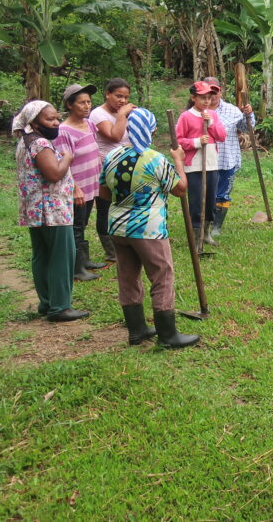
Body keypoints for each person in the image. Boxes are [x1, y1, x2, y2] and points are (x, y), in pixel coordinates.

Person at [99, 108, 199, 348]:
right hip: (148, 229)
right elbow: (180, 189)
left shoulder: (112, 155)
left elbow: (103, 192)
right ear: (151, 129)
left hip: (118, 227)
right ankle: (167, 335)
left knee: (128, 276)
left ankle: (137, 330)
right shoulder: (155, 159)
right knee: (161, 276)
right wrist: (178, 161)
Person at [13, 100, 89, 322]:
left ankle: (47, 302)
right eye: (49, 119)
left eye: (57, 117)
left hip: (36, 209)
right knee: (61, 257)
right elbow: (53, 174)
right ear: (34, 122)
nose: (56, 122)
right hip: (51, 209)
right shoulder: (39, 143)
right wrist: (66, 158)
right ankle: (60, 307)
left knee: (43, 255)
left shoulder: (24, 141)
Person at [55, 84, 105, 281]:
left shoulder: (89, 124)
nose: (87, 106)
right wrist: (75, 188)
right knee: (76, 226)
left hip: (91, 184)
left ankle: (85, 261)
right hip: (77, 188)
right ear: (70, 105)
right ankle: (76, 268)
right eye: (82, 103)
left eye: (89, 102)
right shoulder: (63, 131)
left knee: (82, 223)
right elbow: (63, 163)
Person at [174, 81, 226, 251]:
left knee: (211, 200)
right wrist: (196, 142)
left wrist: (210, 122)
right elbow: (178, 140)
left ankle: (206, 233)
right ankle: (196, 238)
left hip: (211, 163)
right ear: (193, 97)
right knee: (197, 200)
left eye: (209, 98)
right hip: (194, 166)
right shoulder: (186, 117)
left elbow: (221, 136)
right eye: (203, 97)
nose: (207, 101)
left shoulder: (212, 115)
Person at [202, 76, 254, 241]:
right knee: (204, 194)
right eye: (208, 91)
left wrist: (249, 115)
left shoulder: (232, 110)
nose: (211, 95)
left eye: (214, 91)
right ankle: (203, 227)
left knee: (222, 195)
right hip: (203, 161)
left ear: (220, 91)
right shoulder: (195, 111)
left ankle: (216, 227)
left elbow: (246, 128)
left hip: (226, 160)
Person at [89, 78, 135, 264]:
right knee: (105, 207)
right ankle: (110, 251)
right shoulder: (98, 114)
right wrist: (123, 115)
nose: (122, 101)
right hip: (104, 168)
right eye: (118, 96)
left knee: (124, 205)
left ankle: (124, 243)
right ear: (107, 94)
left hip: (125, 167)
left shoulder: (124, 113)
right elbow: (115, 136)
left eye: (125, 97)